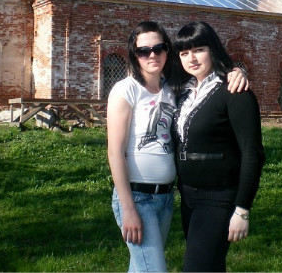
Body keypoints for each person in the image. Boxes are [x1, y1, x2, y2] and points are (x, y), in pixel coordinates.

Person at [107, 21, 248, 272]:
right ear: (134, 54)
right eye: (143, 50)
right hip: (136, 197)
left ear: (167, 51)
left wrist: (237, 72)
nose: (152, 55)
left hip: (166, 198)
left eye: (159, 48)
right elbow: (115, 152)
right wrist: (128, 208)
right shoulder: (126, 89)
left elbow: (207, 75)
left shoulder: (174, 87)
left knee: (141, 267)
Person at [170, 21, 265, 272]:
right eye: (184, 53)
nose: (191, 58)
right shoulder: (184, 92)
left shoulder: (235, 92)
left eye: (198, 50)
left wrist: (242, 209)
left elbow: (252, 153)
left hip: (218, 198)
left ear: (212, 49)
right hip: (188, 197)